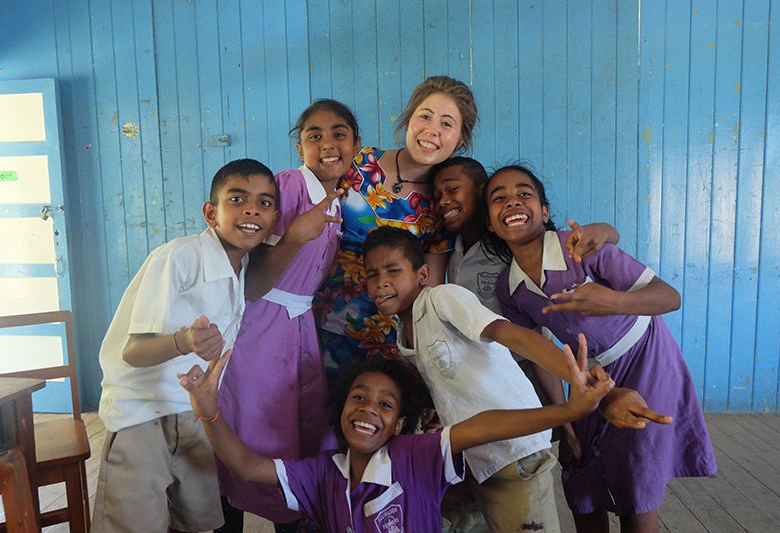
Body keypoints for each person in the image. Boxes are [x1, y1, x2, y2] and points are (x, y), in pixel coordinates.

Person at [361, 225, 671, 532]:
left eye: (392, 271)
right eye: (372, 274)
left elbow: (513, 335)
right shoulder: (405, 333)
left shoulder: (442, 299)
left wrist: (590, 386)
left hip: (515, 454)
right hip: (481, 459)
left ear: (422, 275)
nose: (381, 282)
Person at [178, 330, 615, 531]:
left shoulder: (414, 456)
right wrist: (209, 411)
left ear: (401, 424)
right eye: (359, 397)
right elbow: (245, 466)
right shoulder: (323, 474)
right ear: (341, 407)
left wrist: (567, 413)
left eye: (385, 405)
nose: (368, 410)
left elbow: (483, 427)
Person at [484, 164, 717, 533]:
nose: (512, 201)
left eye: (524, 193)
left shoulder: (584, 248)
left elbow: (669, 297)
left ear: (544, 211)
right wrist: (564, 414)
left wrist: (613, 302)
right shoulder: (508, 288)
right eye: (499, 198)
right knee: (579, 471)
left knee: (634, 476)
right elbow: (536, 351)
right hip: (590, 374)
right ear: (490, 223)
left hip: (646, 355)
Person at [91, 159, 279, 533]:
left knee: (197, 520)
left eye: (265, 203)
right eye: (237, 198)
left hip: (191, 413)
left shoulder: (239, 266)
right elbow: (133, 351)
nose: (252, 210)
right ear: (211, 212)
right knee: (133, 522)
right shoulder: (178, 257)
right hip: (141, 415)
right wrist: (183, 341)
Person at [215, 100, 361, 532]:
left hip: (297, 328)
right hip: (261, 329)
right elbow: (253, 282)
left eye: (339, 134)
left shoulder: (337, 201)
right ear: (300, 147)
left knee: (293, 434)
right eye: (313, 135)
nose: (326, 144)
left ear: (356, 145)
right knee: (253, 427)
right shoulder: (289, 187)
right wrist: (296, 235)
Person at [313, 75, 477, 376]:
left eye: (446, 123)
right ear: (409, 118)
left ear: (461, 139)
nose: (432, 131)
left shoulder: (443, 203)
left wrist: (422, 357)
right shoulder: (358, 161)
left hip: (387, 342)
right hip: (320, 322)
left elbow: (430, 287)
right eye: (424, 116)